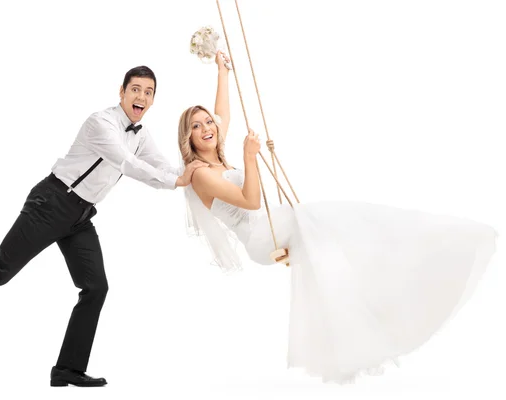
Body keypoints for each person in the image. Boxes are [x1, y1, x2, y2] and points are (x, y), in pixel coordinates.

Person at [178, 51, 497, 383]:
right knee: (327, 217)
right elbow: (251, 200)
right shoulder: (200, 173)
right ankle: (391, 271)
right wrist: (249, 157)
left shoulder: (216, 154)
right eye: (196, 126)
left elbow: (223, 112)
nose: (207, 127)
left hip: (271, 227)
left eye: (208, 122)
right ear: (189, 138)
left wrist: (222, 72)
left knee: (333, 241)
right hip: (259, 236)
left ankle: (365, 318)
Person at [0, 65, 208, 387]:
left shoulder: (142, 135)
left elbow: (160, 165)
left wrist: (189, 172)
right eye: (135, 89)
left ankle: (67, 369)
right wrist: (174, 180)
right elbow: (127, 163)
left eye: (148, 92)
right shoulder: (101, 123)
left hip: (80, 217)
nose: (141, 96)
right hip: (53, 202)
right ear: (122, 92)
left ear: (153, 100)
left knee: (96, 288)